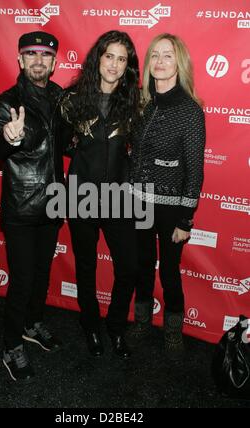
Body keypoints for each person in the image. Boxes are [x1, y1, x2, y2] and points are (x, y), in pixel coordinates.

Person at [0, 31, 64, 382]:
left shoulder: (61, 98)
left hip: (55, 203)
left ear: (55, 62)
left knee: (42, 274)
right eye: (31, 54)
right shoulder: (7, 103)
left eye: (45, 55)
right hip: (21, 207)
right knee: (23, 279)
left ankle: (32, 323)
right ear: (20, 60)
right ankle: (11, 345)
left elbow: (68, 143)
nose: (38, 60)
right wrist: (6, 138)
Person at [60, 31, 140, 359]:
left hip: (120, 198)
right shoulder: (72, 100)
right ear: (99, 58)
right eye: (110, 56)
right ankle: (90, 324)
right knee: (85, 266)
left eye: (122, 59)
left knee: (129, 267)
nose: (114, 64)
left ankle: (116, 327)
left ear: (127, 66)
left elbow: (137, 151)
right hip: (80, 195)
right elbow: (62, 144)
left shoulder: (135, 103)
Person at [129, 33, 206, 360]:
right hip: (137, 201)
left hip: (172, 208)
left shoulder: (189, 110)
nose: (160, 62)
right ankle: (142, 322)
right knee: (142, 266)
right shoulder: (142, 103)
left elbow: (195, 170)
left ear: (179, 64)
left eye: (168, 56)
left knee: (170, 271)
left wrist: (186, 218)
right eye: (155, 56)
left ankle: (173, 331)